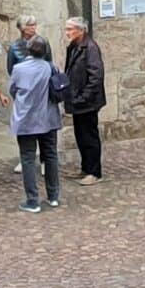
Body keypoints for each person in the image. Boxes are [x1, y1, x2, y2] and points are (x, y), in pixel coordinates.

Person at [8, 38, 63, 214]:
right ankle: (53, 196)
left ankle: (33, 200)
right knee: (50, 156)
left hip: (27, 120)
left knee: (27, 158)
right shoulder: (50, 67)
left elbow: (13, 90)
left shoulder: (19, 69)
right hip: (48, 118)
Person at [62, 17, 108, 182]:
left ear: (80, 30)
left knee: (89, 136)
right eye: (66, 29)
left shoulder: (90, 48)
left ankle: (95, 172)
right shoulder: (74, 46)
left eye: (70, 29)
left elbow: (96, 77)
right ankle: (86, 168)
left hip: (87, 102)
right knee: (81, 136)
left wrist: (83, 97)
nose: (67, 32)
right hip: (77, 99)